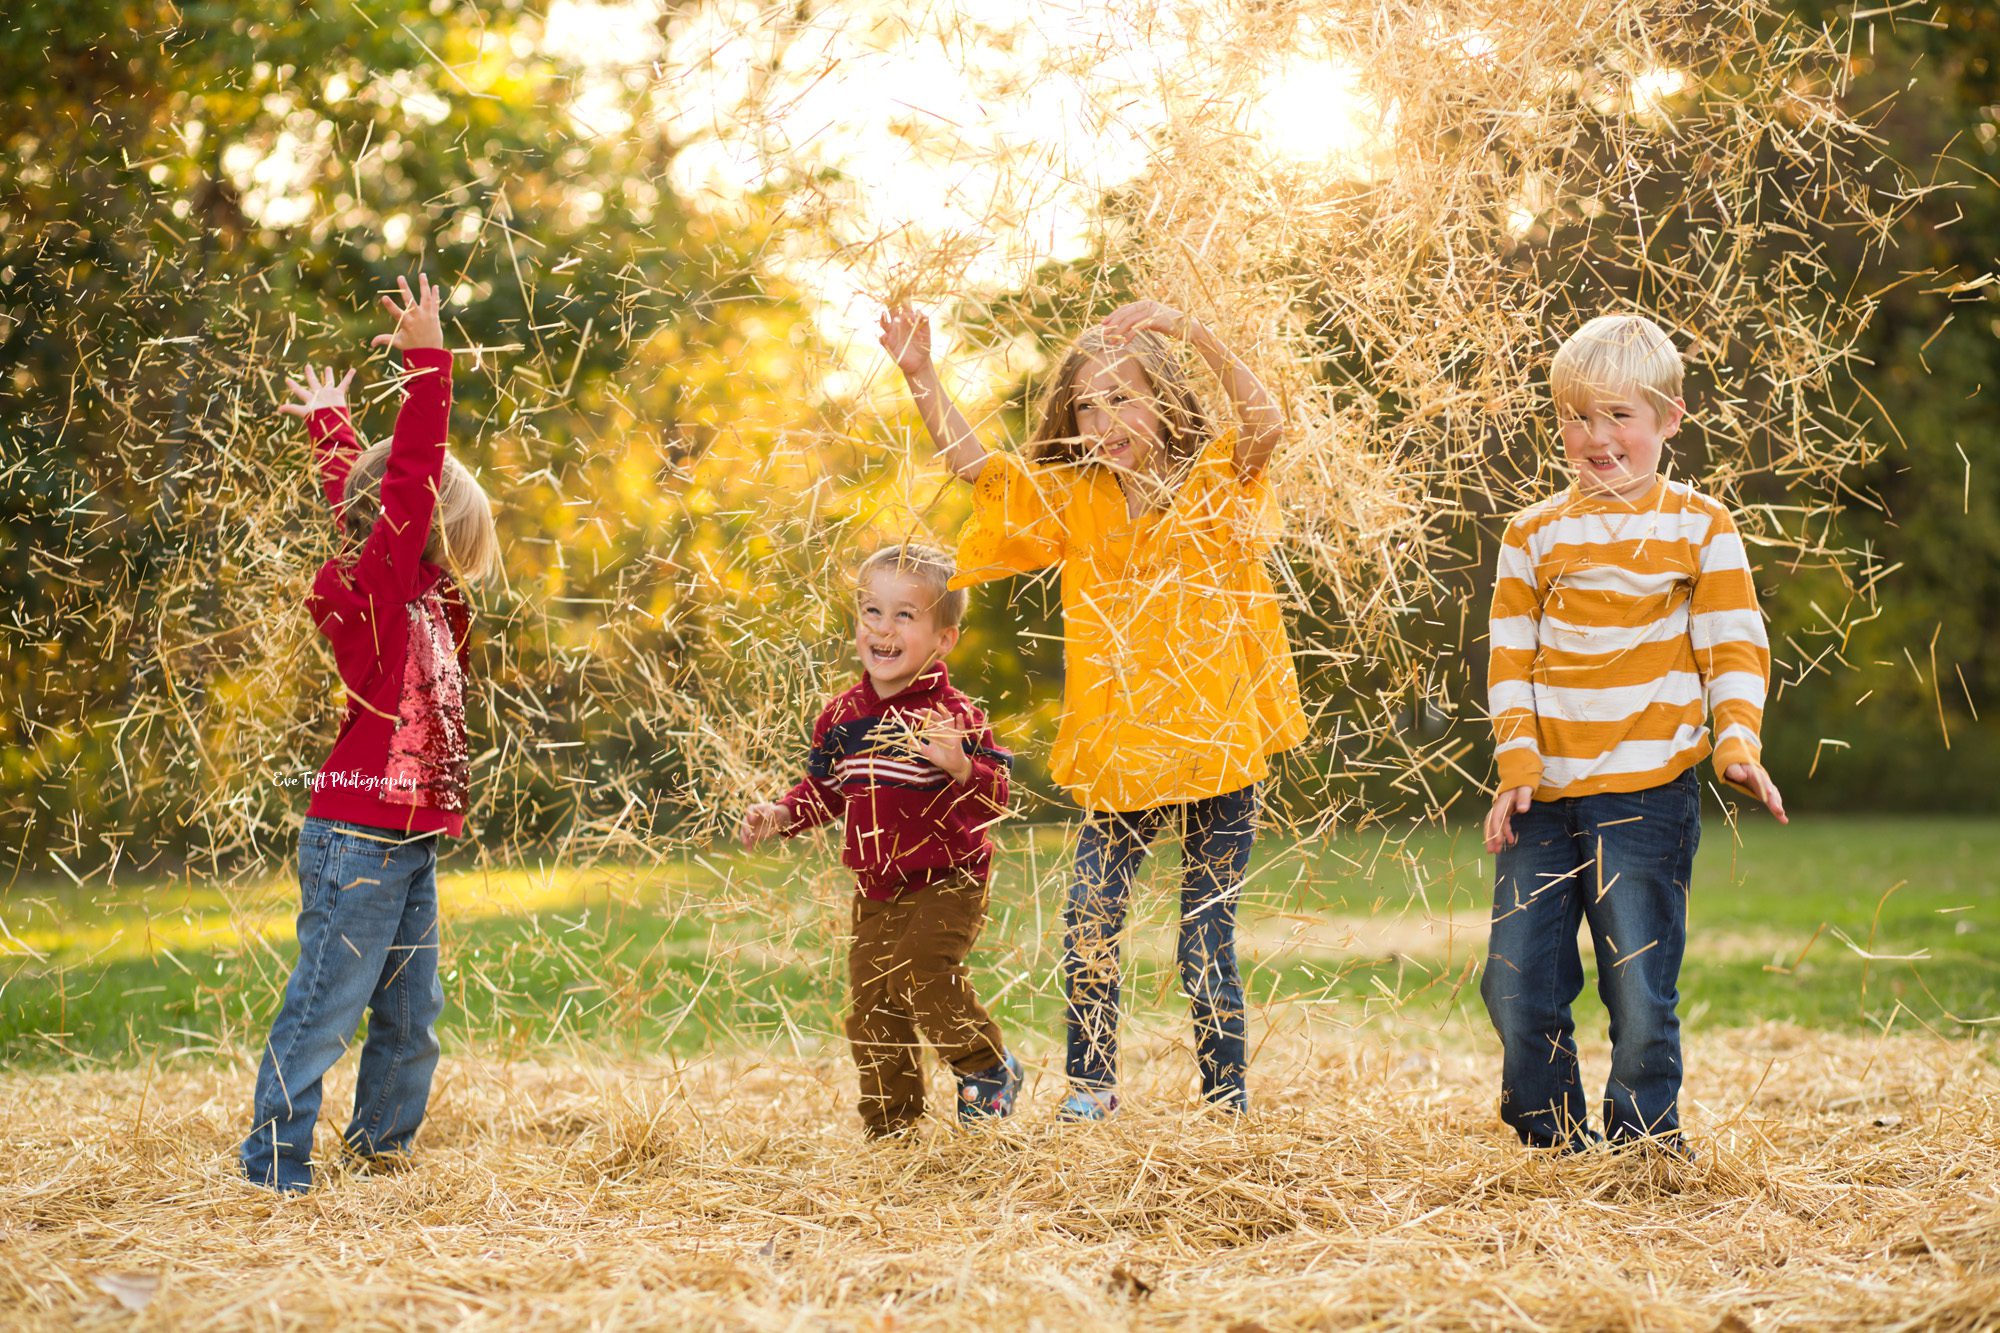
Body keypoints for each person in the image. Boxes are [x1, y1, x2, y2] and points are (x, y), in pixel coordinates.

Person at [880, 299, 1306, 1119]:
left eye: (1123, 396)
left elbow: (1266, 418)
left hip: (1214, 749)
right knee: (1088, 926)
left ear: (1166, 400)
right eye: (1087, 403)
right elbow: (981, 472)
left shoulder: (1218, 479)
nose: (1104, 417)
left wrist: (1195, 329)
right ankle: (1092, 1089)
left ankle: (1227, 1104)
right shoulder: (1074, 499)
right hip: (1117, 754)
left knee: (1202, 940)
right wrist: (922, 376)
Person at [1480, 312, 1788, 1157]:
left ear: (1669, 419)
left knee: (1641, 987)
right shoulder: (1532, 534)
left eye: (1619, 415)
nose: (1596, 436)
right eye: (1576, 417)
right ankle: (1549, 1141)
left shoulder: (1700, 526)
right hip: (1544, 796)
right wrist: (1517, 762)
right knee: (1516, 979)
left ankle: (1647, 1141)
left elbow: (1732, 642)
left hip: (1648, 794)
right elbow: (1511, 657)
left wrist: (1737, 744)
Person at [241, 275, 500, 1192]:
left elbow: (359, 492)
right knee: (326, 1004)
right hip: (357, 836)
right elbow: (401, 479)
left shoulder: (410, 590)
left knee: (409, 1011)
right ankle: (273, 1163)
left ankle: (380, 1153)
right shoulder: (385, 584)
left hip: (408, 836)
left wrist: (329, 425)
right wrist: (430, 364)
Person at [740, 544, 1021, 1138]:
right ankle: (893, 1132)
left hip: (948, 876)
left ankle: (987, 1068)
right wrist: (782, 814)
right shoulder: (841, 716)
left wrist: (962, 768)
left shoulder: (953, 714)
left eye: (904, 616)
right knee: (872, 1007)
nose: (882, 629)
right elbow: (826, 789)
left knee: (920, 972)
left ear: (943, 640)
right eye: (872, 611)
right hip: (876, 887)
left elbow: (998, 799)